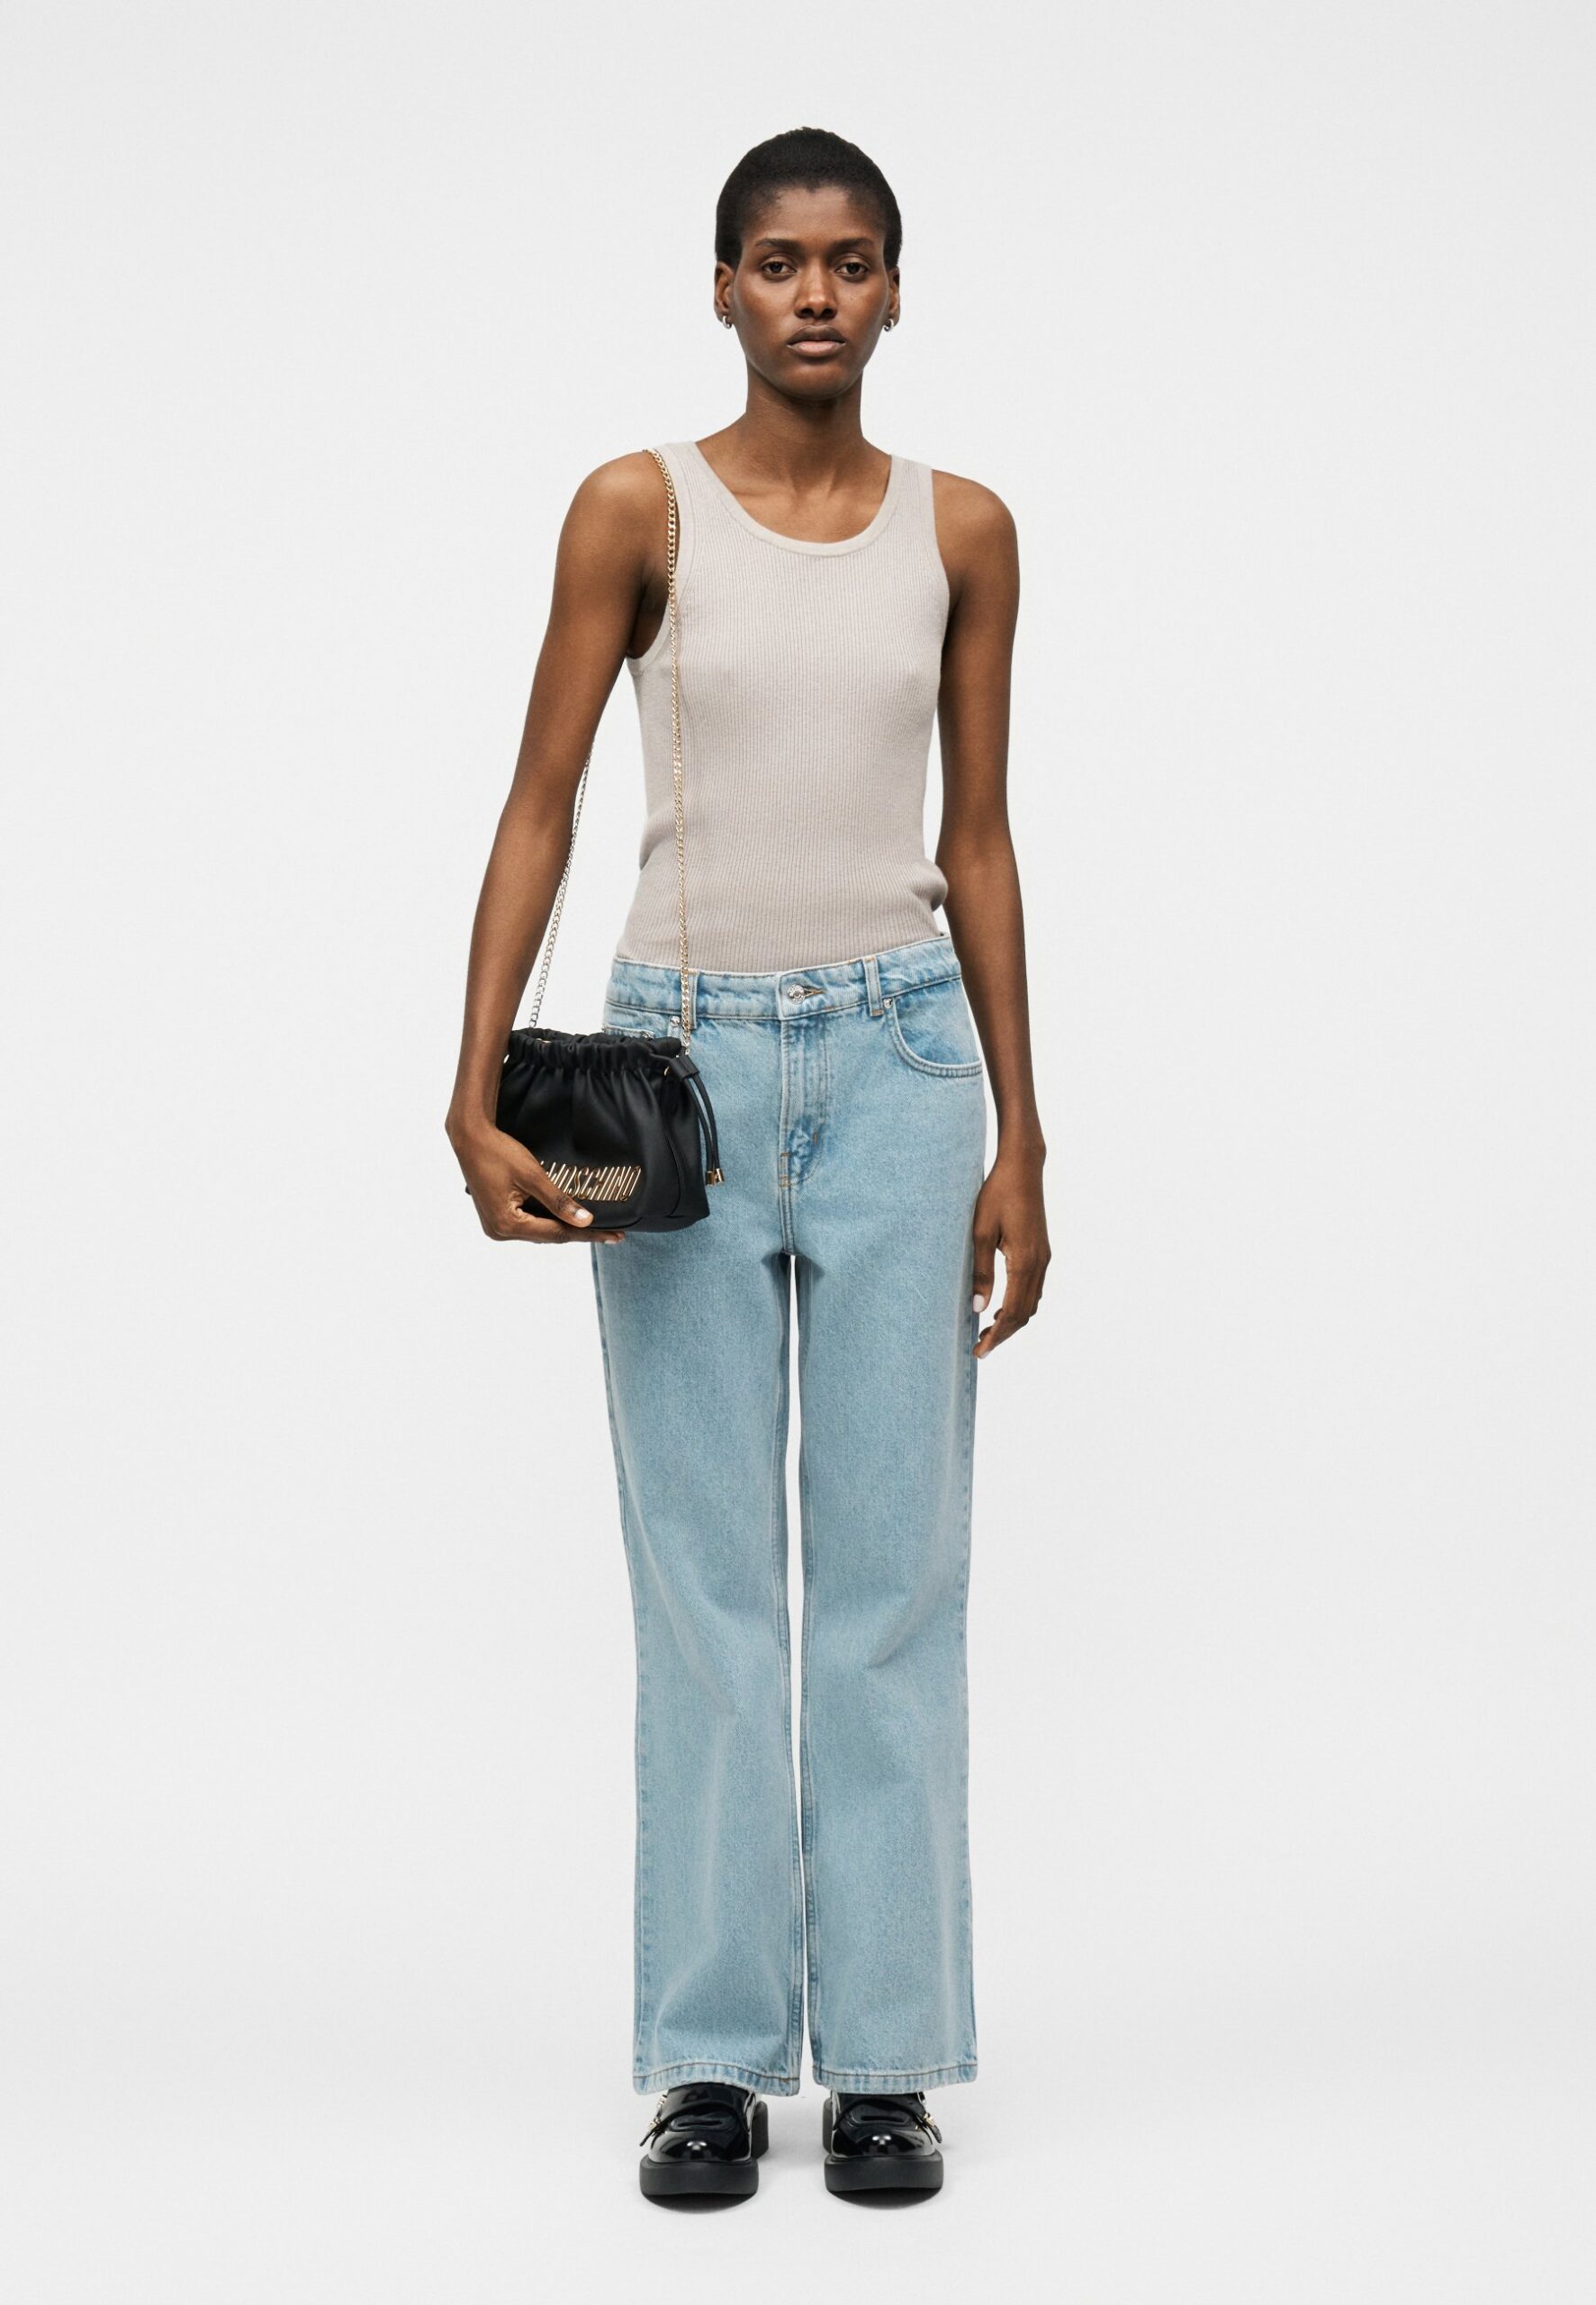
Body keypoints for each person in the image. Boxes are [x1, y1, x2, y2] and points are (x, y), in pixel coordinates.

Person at [445, 126, 1050, 2203]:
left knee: (889, 1585)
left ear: (894, 289)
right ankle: (707, 2057)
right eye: (778, 260)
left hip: (901, 1067)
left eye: (850, 260)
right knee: (705, 1587)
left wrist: (1022, 1128)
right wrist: (468, 1080)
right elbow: (539, 797)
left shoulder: (962, 531)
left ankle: (881, 2056)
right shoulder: (636, 508)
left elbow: (976, 837)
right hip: (674, 1074)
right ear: (719, 286)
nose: (814, 293)